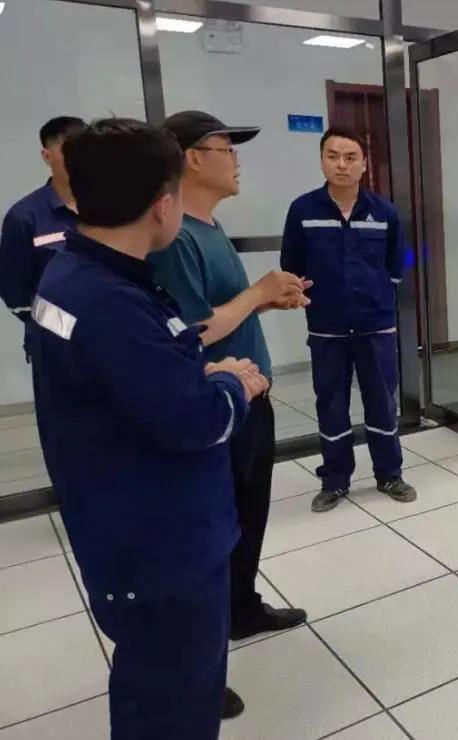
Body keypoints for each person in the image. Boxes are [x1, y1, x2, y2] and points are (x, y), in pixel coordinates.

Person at [29, 117, 270, 739]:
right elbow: (196, 420)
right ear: (163, 205)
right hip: (161, 545)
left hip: (121, 523)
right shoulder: (110, 301)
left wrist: (191, 369)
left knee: (151, 688)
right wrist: (232, 384)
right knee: (175, 702)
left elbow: (125, 379)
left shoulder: (70, 275)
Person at [149, 111, 309, 648]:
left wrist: (266, 301)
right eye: (227, 149)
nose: (237, 160)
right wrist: (258, 292)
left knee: (250, 512)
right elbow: (192, 331)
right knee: (221, 524)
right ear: (192, 159)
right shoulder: (177, 239)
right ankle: (209, 632)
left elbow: (221, 311)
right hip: (217, 403)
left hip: (249, 396)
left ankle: (241, 608)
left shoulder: (209, 227)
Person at [281, 126, 416, 513]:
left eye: (350, 157)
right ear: (322, 161)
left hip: (376, 326)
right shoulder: (303, 210)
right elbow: (291, 264)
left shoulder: (384, 212)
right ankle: (335, 479)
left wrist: (374, 294)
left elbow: (397, 264)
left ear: (364, 164)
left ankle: (389, 473)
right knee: (331, 403)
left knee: (381, 403)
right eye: (333, 156)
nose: (342, 164)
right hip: (327, 328)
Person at [0, 116, 85, 355]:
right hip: (57, 351)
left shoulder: (111, 208)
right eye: (69, 151)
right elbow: (17, 299)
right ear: (47, 157)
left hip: (115, 341)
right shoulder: (24, 218)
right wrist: (72, 328)